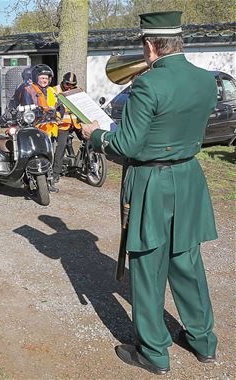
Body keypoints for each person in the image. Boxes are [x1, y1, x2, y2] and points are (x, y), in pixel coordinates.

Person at [82, 11, 218, 375]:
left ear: (149, 45)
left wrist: (94, 134)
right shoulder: (207, 81)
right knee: (188, 264)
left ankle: (155, 353)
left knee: (148, 267)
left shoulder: (147, 85)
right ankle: (203, 341)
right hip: (188, 177)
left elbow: (125, 144)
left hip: (152, 183)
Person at [51, 72, 80, 182]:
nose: (70, 87)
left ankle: (88, 161)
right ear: (63, 81)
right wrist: (56, 118)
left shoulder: (77, 91)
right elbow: (53, 107)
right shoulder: (54, 90)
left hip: (76, 122)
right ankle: (55, 173)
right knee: (61, 146)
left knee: (89, 139)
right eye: (68, 84)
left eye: (73, 85)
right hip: (63, 123)